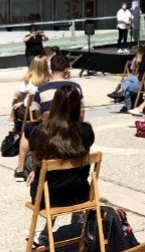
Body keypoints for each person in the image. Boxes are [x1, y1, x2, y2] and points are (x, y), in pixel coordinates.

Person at [27, 85, 95, 244]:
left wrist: (37, 171)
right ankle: (80, 226)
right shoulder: (86, 130)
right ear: (78, 105)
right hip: (79, 193)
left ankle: (45, 233)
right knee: (65, 176)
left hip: (47, 197)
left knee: (49, 179)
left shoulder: (41, 131)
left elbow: (35, 151)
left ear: (55, 105)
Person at [15, 55, 83, 181]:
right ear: (67, 70)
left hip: (50, 129)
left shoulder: (42, 90)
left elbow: (34, 115)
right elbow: (81, 110)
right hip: (73, 127)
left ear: (50, 69)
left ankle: (20, 168)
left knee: (28, 128)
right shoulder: (76, 87)